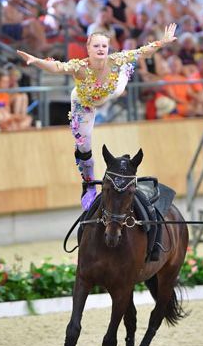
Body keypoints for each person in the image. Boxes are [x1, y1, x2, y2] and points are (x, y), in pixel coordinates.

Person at [17, 23, 177, 210]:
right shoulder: (80, 66)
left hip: (108, 92)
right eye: (96, 46)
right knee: (83, 146)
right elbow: (57, 67)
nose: (101, 49)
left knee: (118, 88)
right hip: (83, 102)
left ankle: (125, 71)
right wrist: (35, 60)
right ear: (88, 48)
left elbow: (143, 52)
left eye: (104, 46)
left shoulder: (115, 59)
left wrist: (163, 42)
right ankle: (89, 184)